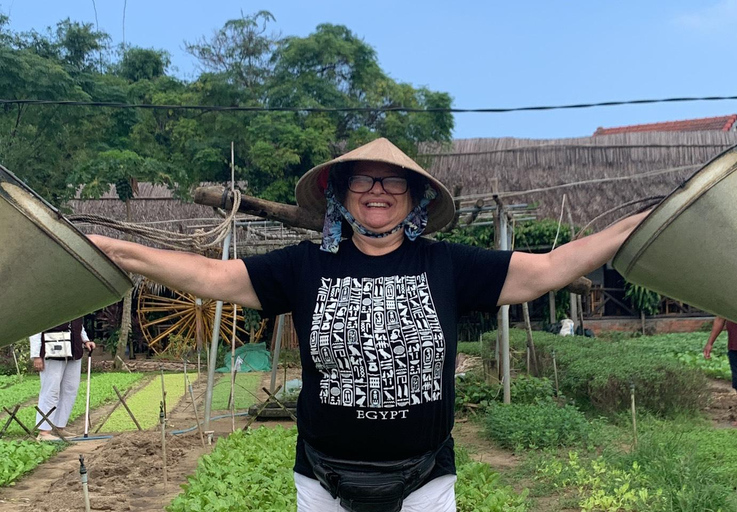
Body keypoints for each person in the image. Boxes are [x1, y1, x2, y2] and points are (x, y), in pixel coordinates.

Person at [89, 137, 647, 512]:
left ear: (415, 198)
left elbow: (550, 268)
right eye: (363, 181)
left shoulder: (448, 264)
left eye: (393, 183)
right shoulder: (303, 264)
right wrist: (119, 250)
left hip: (425, 482)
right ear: (339, 193)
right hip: (322, 480)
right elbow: (213, 277)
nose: (378, 191)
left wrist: (636, 227)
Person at [29, 317, 96, 441]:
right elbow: (35, 329)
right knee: (51, 390)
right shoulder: (46, 306)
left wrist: (85, 340)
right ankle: (44, 431)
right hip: (52, 351)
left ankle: (59, 427)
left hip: (74, 350)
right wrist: (36, 355)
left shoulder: (75, 305)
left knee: (70, 389)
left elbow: (78, 325)